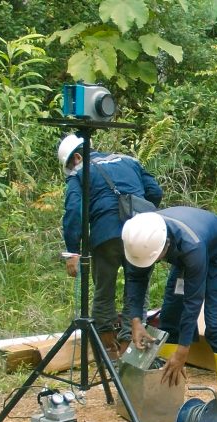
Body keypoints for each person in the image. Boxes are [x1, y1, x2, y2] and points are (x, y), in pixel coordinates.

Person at [121, 207, 217, 416]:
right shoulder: (138, 237)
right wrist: (135, 321)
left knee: (215, 325)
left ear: (164, 246)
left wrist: (183, 351)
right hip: (185, 257)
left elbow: (193, 300)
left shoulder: (191, 246)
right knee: (169, 320)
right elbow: (135, 279)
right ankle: (168, 394)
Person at [58, 134, 162, 358]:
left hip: (106, 236)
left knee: (103, 291)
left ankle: (108, 350)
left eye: (70, 165)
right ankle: (129, 348)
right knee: (138, 290)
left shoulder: (80, 172)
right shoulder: (128, 160)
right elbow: (155, 192)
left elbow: (74, 212)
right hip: (142, 232)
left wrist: (72, 252)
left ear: (77, 156)